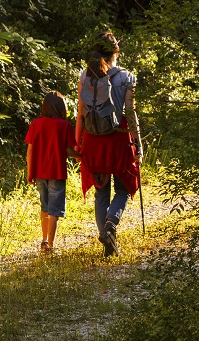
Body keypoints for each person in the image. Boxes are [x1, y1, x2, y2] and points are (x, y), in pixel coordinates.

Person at [75, 32, 143, 257]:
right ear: (116, 52)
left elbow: (80, 115)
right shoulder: (127, 77)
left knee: (100, 192)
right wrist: (139, 147)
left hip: (93, 140)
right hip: (118, 138)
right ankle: (110, 227)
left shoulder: (85, 76)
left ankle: (107, 240)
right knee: (122, 189)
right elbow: (131, 113)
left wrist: (78, 144)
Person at [24, 91, 81, 252]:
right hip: (57, 171)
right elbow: (69, 151)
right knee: (54, 210)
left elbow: (30, 150)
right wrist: (82, 156)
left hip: (40, 172)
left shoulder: (36, 124)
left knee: (44, 207)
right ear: (61, 108)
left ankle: (43, 241)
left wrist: (30, 172)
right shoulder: (64, 125)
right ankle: (51, 244)